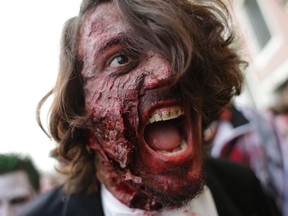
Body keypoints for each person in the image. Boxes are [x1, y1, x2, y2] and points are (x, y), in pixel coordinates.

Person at [19, 0, 280, 215]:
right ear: (80, 110)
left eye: (173, 48)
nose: (167, 71)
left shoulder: (243, 186)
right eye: (120, 59)